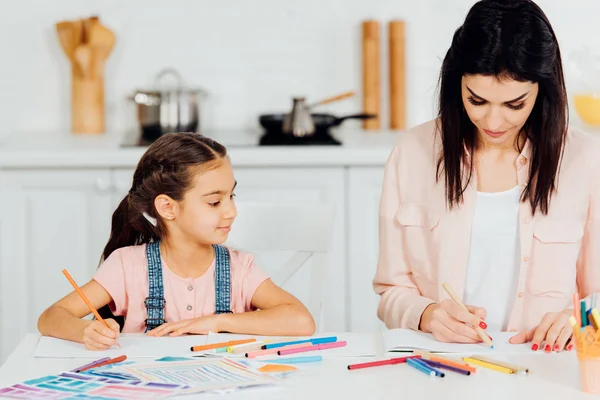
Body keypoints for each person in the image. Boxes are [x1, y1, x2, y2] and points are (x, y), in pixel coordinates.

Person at [373, 0, 600, 353]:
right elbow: (390, 293)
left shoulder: (585, 161)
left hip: (547, 368)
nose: (493, 123)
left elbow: (597, 301)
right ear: (457, 85)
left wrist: (578, 321)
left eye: (514, 105)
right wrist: (429, 315)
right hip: (441, 365)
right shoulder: (412, 154)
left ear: (542, 89)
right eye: (476, 100)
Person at [38, 133, 315, 350]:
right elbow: (51, 317)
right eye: (215, 201)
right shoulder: (128, 266)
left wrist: (218, 322)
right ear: (168, 208)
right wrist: (86, 331)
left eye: (231, 196)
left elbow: (302, 320)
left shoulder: (239, 268)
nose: (231, 211)